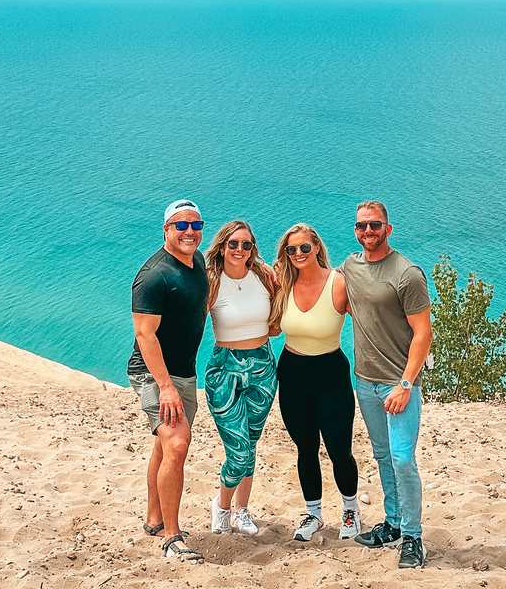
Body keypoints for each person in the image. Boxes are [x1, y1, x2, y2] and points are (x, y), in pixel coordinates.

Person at [341, 199, 433, 569]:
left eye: (375, 225)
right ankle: (393, 523)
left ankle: (413, 536)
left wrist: (406, 384)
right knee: (382, 456)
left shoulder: (407, 273)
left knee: (402, 459)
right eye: (362, 226)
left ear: (388, 229)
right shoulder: (350, 267)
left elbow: (423, 333)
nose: (368, 232)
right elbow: (316, 284)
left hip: (398, 386)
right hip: (365, 382)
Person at [128, 199, 208, 564]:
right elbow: (145, 336)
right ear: (166, 230)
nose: (189, 232)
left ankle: (154, 517)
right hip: (154, 373)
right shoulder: (154, 275)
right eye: (181, 226)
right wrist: (165, 386)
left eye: (196, 225)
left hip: (184, 372)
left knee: (164, 446)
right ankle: (172, 537)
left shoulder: (199, 263)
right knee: (177, 444)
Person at [272, 223, 361, 544]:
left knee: (340, 449)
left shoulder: (338, 283)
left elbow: (370, 319)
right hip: (292, 373)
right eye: (291, 250)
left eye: (304, 248)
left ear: (317, 249)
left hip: (331, 374)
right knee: (305, 448)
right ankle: (314, 513)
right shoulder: (282, 284)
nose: (297, 254)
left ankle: (350, 510)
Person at [204, 219, 280, 536]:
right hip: (225, 369)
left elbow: (279, 315)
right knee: (238, 451)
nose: (239, 249)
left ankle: (242, 511)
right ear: (222, 247)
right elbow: (187, 318)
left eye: (246, 244)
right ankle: (221, 507)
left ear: (253, 249)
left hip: (263, 365)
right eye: (233, 244)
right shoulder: (210, 280)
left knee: (251, 442)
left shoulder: (263, 276)